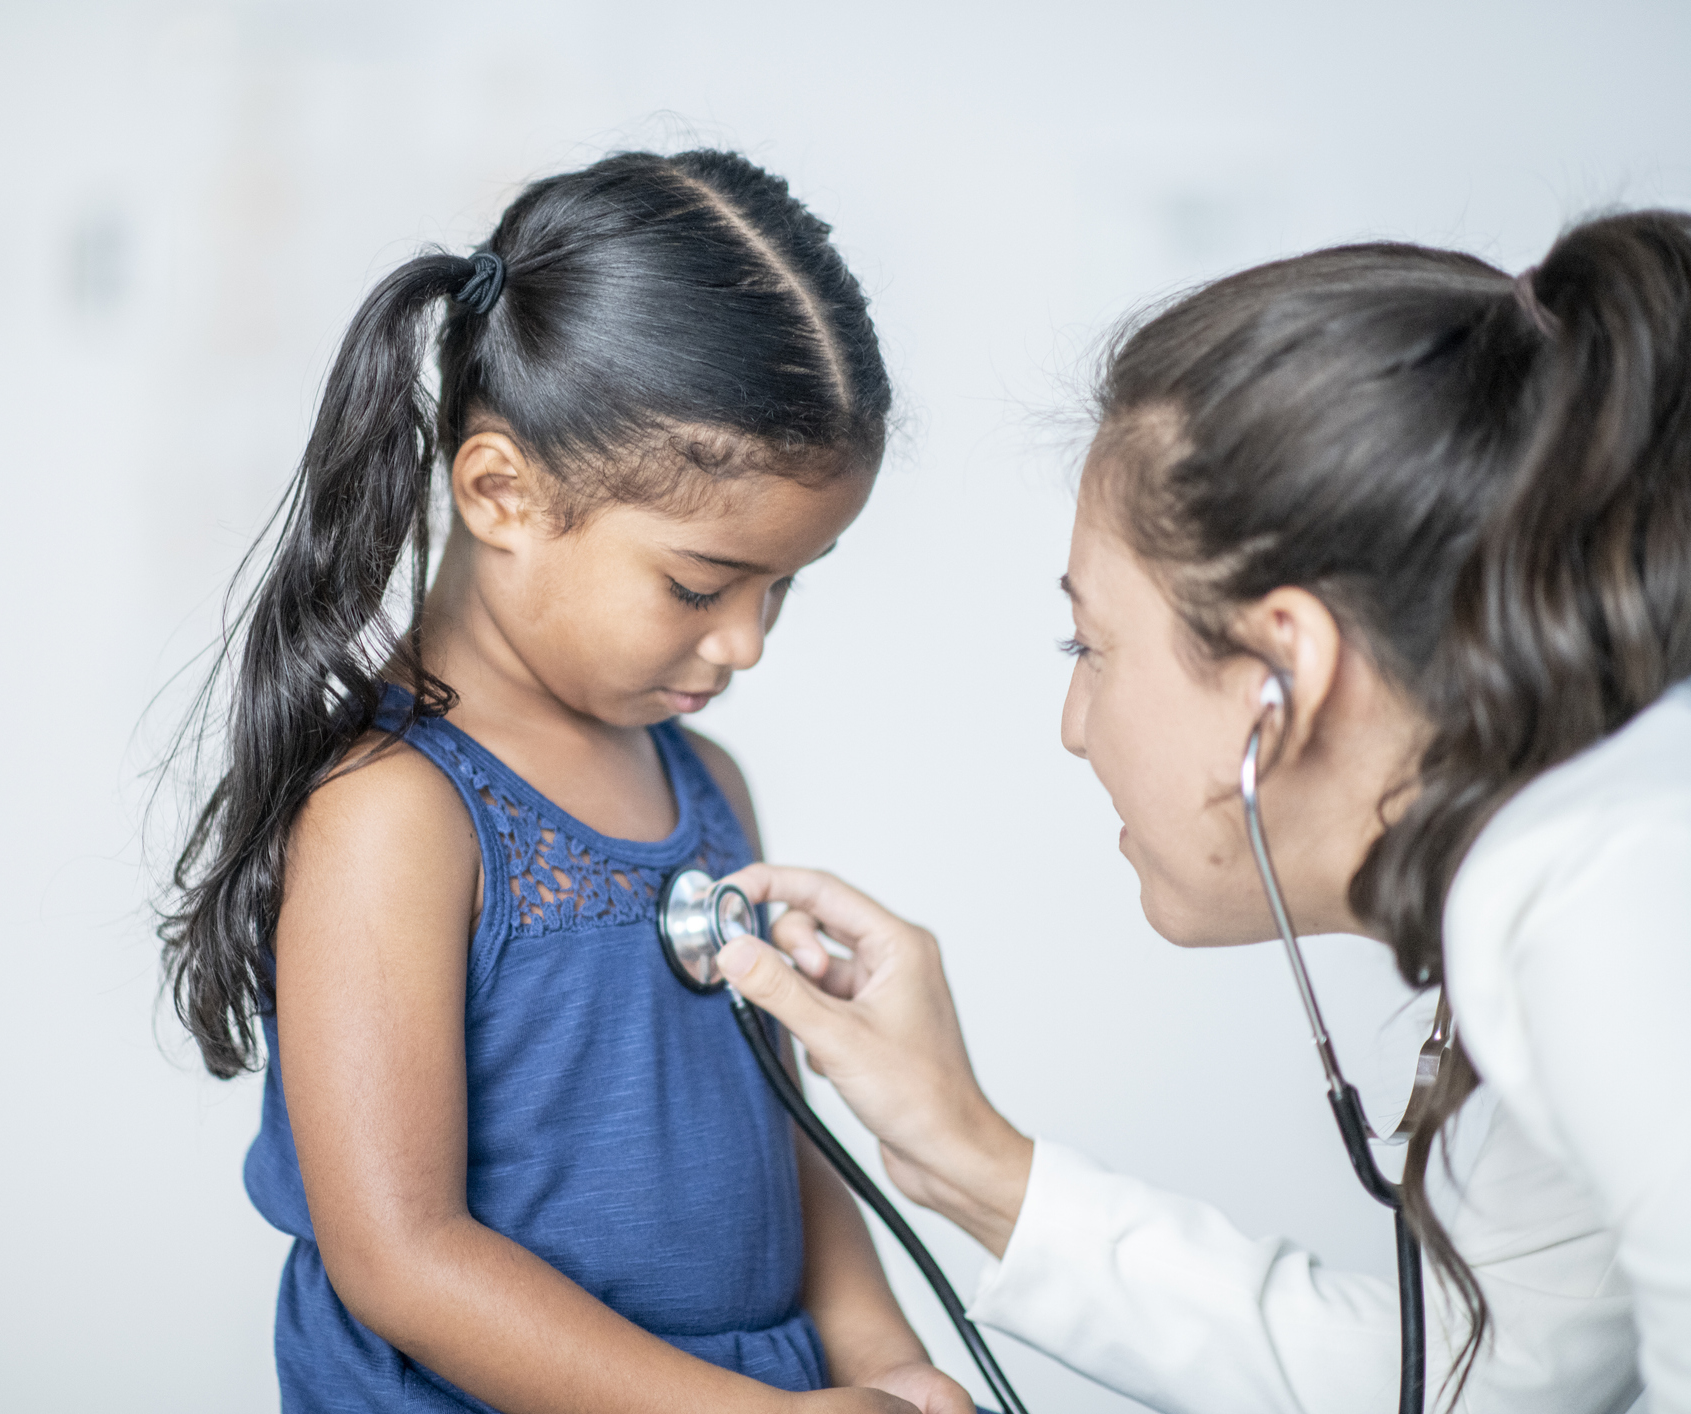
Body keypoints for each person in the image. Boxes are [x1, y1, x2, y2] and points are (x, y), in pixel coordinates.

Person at [718, 210, 1691, 1413]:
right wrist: (966, 1149)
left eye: (1093, 643)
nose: (1073, 725)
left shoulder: (1609, 893)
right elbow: (1477, 1383)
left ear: (1282, 672)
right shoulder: (1593, 877)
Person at [159, 151, 968, 1414]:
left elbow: (785, 1142)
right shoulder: (394, 816)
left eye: (783, 587)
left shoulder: (707, 784)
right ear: (502, 494)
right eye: (701, 586)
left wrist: (889, 1368)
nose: (749, 642)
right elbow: (403, 1259)